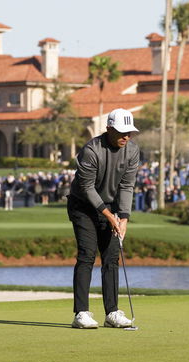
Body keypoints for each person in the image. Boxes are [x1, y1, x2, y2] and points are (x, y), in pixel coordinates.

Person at [67, 108, 140, 329]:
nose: (126, 136)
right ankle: (81, 313)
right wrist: (108, 215)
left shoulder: (132, 151)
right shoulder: (91, 150)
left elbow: (127, 186)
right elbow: (86, 187)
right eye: (121, 132)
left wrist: (124, 218)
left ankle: (112, 312)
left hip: (109, 205)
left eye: (129, 132)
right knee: (87, 255)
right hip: (83, 206)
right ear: (108, 129)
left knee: (111, 258)